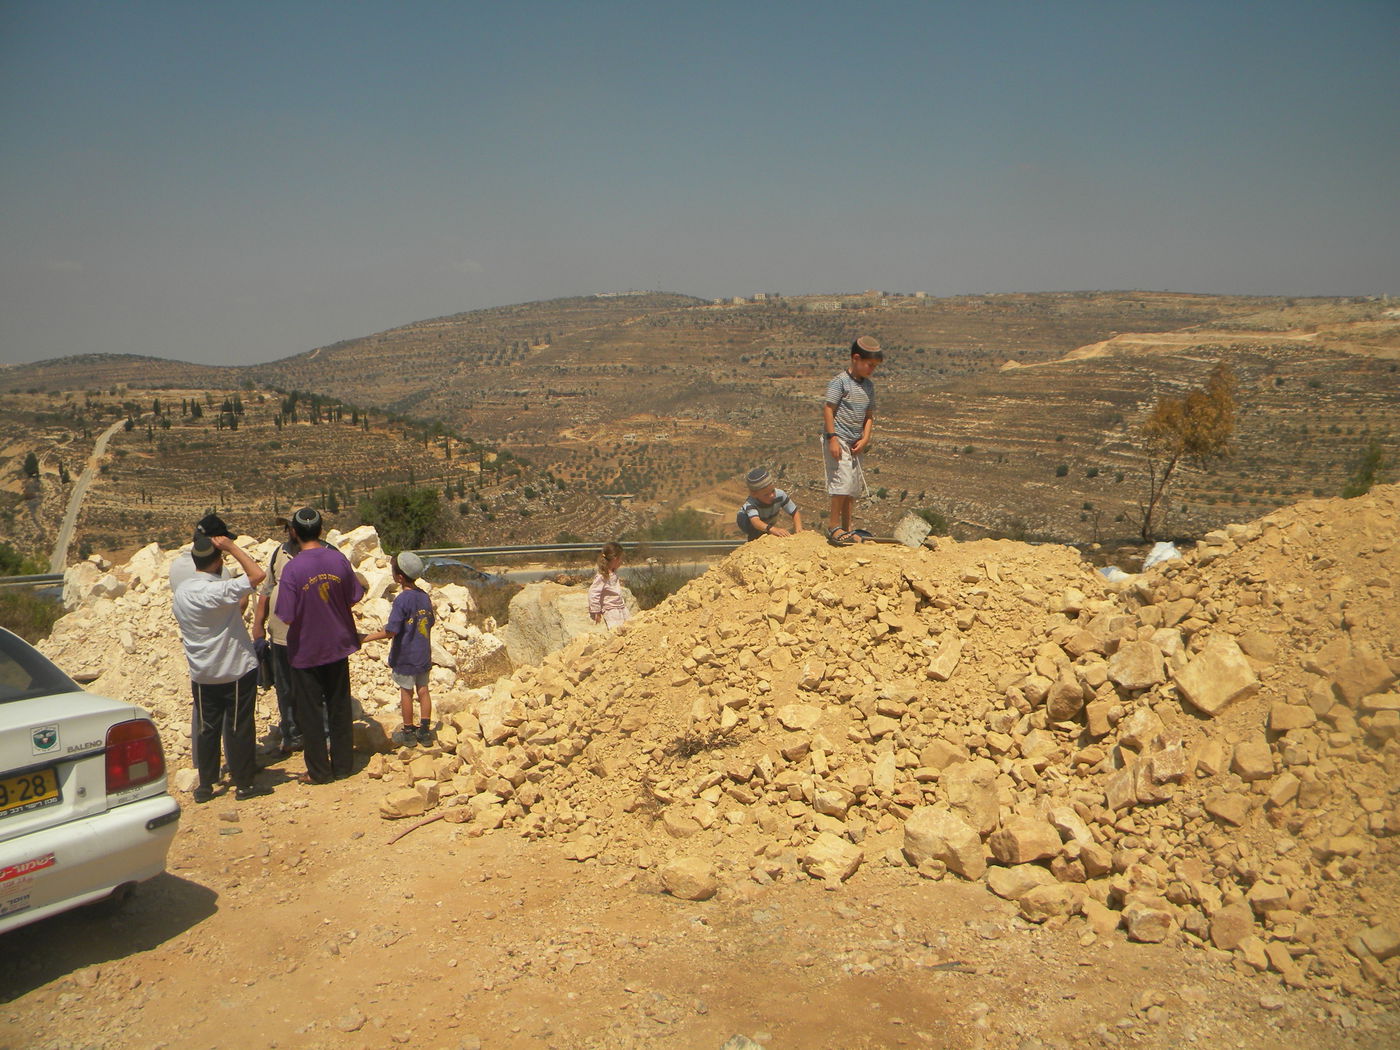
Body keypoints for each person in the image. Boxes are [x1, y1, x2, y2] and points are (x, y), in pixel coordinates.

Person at [171, 529, 270, 803]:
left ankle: (205, 785)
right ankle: (244, 783)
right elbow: (257, 576)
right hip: (234, 667)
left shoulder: (181, 592)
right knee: (239, 725)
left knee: (207, 727)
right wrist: (231, 547)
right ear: (218, 561)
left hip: (202, 671)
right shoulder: (218, 590)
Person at [273, 507, 364, 784]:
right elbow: (354, 595)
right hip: (338, 644)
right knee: (338, 706)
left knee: (310, 712)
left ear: (294, 532)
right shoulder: (338, 560)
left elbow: (285, 614)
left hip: (306, 650)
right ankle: (343, 765)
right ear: (321, 531)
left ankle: (319, 772)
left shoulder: (292, 569)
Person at [361, 551, 436, 747]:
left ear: (400, 577)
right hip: (423, 655)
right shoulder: (424, 596)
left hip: (405, 657)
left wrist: (364, 638)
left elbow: (391, 630)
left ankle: (409, 732)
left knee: (406, 693)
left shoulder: (402, 600)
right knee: (424, 691)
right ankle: (426, 732)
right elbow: (430, 622)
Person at [822, 336, 883, 545]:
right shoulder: (840, 382)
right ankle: (833, 526)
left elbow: (869, 415)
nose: (871, 369)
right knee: (842, 482)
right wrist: (832, 438)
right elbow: (829, 409)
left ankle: (847, 528)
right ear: (856, 358)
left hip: (856, 442)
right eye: (869, 365)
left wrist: (866, 438)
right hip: (839, 438)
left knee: (852, 487)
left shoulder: (869, 386)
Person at [251, 516, 302, 754]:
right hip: (281, 635)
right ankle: (291, 733)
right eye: (288, 526)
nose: (291, 530)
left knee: (312, 686)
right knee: (285, 686)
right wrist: (258, 623)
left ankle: (319, 732)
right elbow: (267, 589)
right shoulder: (278, 553)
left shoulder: (321, 551)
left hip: (311, 636)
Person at [736, 467, 803, 540]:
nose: (772, 495)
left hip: (767, 516)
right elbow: (756, 522)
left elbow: (794, 511)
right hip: (746, 519)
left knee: (768, 526)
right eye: (766, 495)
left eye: (772, 491)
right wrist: (772, 529)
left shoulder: (780, 494)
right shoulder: (751, 503)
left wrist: (798, 529)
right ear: (754, 495)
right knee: (756, 532)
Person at [588, 542, 630, 629]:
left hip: (621, 608)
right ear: (615, 559)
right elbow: (593, 592)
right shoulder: (602, 576)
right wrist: (597, 611)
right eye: (620, 559)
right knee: (616, 631)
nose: (621, 562)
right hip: (611, 610)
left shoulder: (612, 573)